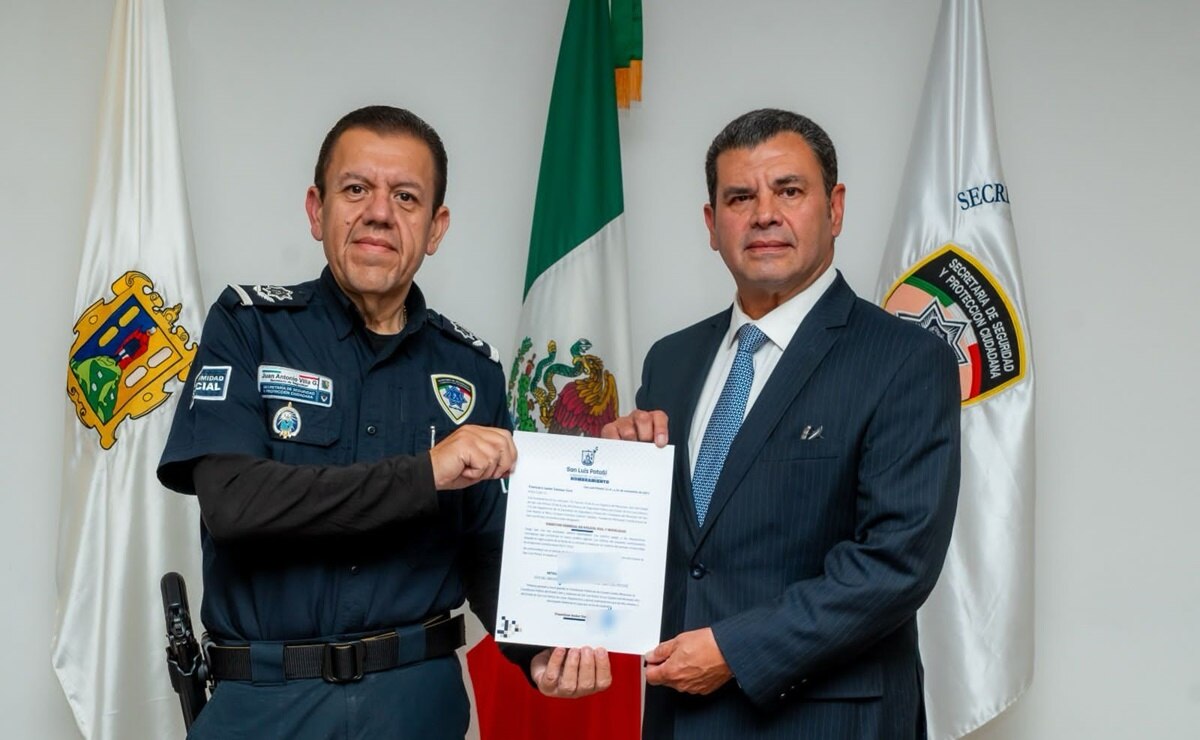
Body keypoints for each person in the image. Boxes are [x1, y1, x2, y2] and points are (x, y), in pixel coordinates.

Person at [157, 105, 592, 739]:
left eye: (406, 196)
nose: (380, 212)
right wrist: (426, 473)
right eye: (356, 188)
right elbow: (235, 504)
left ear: (436, 226)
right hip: (265, 703)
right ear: (316, 209)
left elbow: (489, 548)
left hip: (416, 704)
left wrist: (544, 649)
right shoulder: (246, 328)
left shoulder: (472, 371)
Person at [602, 108, 962, 738]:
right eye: (740, 197)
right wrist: (616, 476)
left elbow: (894, 562)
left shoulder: (905, 359)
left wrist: (732, 651)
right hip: (679, 716)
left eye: (788, 191)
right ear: (713, 225)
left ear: (835, 208)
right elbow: (680, 550)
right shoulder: (672, 360)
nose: (764, 213)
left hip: (825, 719)